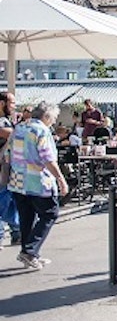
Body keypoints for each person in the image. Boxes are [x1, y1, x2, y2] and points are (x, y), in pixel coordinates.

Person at [7, 101, 69, 270]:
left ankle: (29, 253)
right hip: (38, 181)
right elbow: (48, 159)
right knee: (50, 214)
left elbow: (7, 153)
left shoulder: (18, 128)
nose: (54, 121)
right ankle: (30, 251)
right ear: (46, 116)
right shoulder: (42, 130)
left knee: (26, 218)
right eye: (54, 117)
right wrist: (61, 179)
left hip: (18, 181)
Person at [0, 91, 21, 248]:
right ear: (2, 104)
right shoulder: (1, 122)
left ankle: (17, 232)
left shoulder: (7, 120)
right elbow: (10, 134)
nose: (14, 106)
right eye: (12, 103)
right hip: (2, 170)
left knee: (12, 200)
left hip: (8, 169)